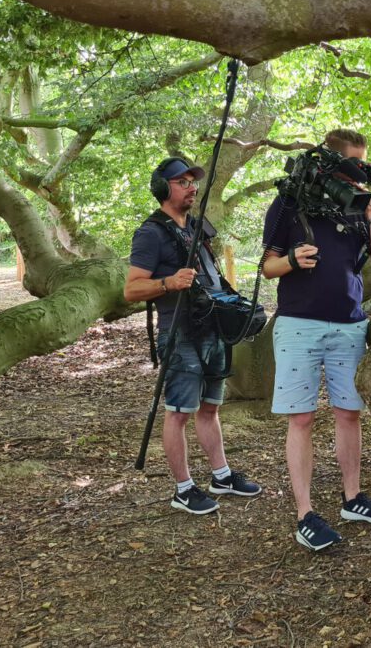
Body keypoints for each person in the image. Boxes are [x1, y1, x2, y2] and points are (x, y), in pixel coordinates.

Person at [262, 129, 371, 551]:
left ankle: (352, 498)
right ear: (332, 162)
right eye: (354, 164)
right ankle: (305, 513)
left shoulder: (359, 207)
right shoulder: (290, 200)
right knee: (301, 418)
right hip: (299, 324)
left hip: (350, 325)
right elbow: (267, 268)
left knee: (348, 413)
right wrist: (291, 259)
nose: (360, 175)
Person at [124, 157, 262, 516]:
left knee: (211, 407)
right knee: (179, 412)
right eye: (182, 182)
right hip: (180, 333)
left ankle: (221, 475)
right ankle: (183, 489)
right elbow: (131, 289)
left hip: (211, 328)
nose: (191, 187)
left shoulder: (198, 228)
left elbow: (211, 275)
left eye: (192, 181)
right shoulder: (150, 233)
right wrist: (168, 283)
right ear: (162, 188)